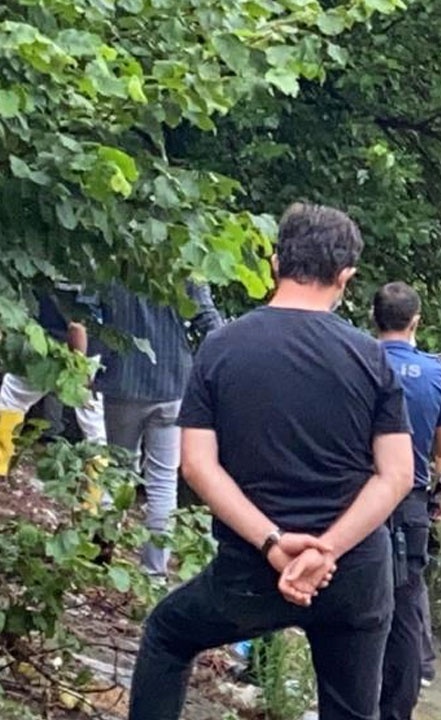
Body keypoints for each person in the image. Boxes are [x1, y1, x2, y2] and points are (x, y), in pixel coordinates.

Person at [128, 203, 415, 720]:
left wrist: (274, 543)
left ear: (275, 261)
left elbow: (197, 465)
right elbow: (396, 475)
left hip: (251, 570)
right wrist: (326, 550)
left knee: (169, 634)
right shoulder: (370, 357)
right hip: (352, 573)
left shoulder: (221, 347)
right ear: (345, 276)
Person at [97, 281, 224, 579]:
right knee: (164, 480)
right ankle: (154, 571)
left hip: (122, 380)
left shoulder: (116, 257)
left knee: (117, 471)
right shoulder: (186, 265)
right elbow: (209, 322)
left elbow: (91, 308)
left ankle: (102, 552)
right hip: (173, 382)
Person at [372, 282, 441, 720]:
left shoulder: (355, 359)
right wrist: (437, 500)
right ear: (416, 322)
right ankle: (397, 710)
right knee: (405, 610)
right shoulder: (439, 375)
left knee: (357, 598)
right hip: (411, 503)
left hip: (358, 501)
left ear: (374, 319)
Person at [0, 284, 106, 477]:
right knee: (94, 425)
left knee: (11, 400)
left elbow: (77, 325)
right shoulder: (93, 268)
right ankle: (96, 498)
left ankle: (0, 464)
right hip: (88, 349)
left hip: (45, 343)